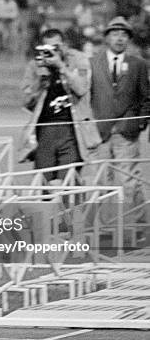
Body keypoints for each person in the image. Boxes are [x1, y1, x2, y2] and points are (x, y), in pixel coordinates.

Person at [18, 28, 102, 183]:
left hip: (73, 130)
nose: (52, 52)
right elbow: (27, 101)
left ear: (64, 45)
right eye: (48, 49)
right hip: (45, 131)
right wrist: (41, 78)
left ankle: (71, 206)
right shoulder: (36, 64)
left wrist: (61, 66)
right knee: (43, 182)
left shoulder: (79, 59)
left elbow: (82, 88)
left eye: (56, 48)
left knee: (69, 182)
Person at [89, 17, 150, 227]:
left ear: (129, 39)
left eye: (124, 35)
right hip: (101, 132)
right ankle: (108, 226)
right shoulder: (93, 63)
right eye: (115, 34)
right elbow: (86, 96)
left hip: (127, 132)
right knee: (103, 178)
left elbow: (146, 98)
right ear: (106, 38)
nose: (119, 38)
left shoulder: (138, 64)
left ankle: (135, 226)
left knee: (128, 180)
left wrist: (139, 123)